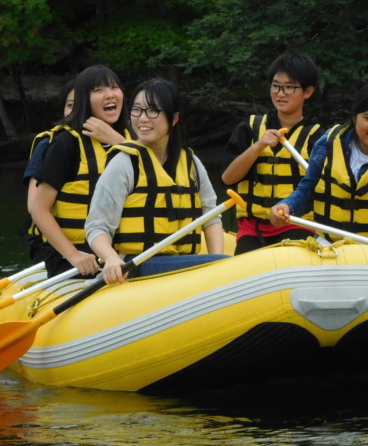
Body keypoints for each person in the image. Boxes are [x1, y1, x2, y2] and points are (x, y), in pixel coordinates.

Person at [86, 78, 226, 284]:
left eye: (153, 111)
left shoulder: (191, 163)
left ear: (174, 118)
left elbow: (211, 216)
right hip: (137, 266)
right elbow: (96, 226)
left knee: (225, 262)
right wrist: (110, 258)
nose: (142, 119)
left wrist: (218, 265)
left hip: (183, 263)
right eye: (137, 110)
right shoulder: (124, 164)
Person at [269, 80, 368, 243]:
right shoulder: (327, 143)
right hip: (329, 245)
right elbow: (307, 190)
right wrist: (286, 206)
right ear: (355, 117)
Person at [30, 65, 130, 278]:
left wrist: (119, 142)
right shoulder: (66, 145)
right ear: (84, 99)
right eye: (98, 90)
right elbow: (39, 209)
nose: (109, 94)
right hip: (79, 256)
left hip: (125, 251)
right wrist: (74, 256)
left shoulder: (133, 139)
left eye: (114, 87)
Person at [221, 52, 325, 254]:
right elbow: (227, 178)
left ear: (308, 91)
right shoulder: (249, 128)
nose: (280, 93)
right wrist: (257, 147)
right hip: (253, 228)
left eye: (289, 87)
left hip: (297, 225)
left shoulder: (318, 138)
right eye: (276, 86)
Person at [20, 78, 75, 263]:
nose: (73, 111)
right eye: (69, 105)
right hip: (50, 245)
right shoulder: (49, 145)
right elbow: (33, 205)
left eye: (79, 104)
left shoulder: (116, 144)